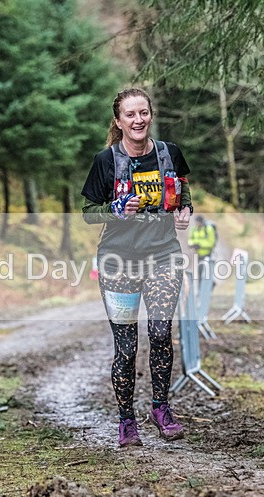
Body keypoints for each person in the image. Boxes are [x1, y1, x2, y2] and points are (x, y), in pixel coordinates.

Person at [81, 88, 193, 447]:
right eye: (130, 115)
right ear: (119, 121)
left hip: (163, 256)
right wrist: (115, 210)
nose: (138, 120)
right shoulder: (106, 161)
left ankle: (161, 408)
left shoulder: (168, 153)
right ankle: (127, 420)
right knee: (126, 347)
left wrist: (184, 209)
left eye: (143, 112)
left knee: (161, 332)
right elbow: (87, 213)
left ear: (151, 114)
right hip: (117, 262)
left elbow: (183, 190)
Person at [188, 215, 217, 280]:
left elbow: (211, 243)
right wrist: (192, 244)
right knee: (198, 272)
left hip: (207, 254)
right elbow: (190, 239)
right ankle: (199, 287)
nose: (196, 224)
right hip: (197, 254)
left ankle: (210, 285)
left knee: (207, 273)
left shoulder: (209, 229)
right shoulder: (194, 229)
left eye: (197, 222)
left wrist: (200, 244)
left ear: (201, 222)